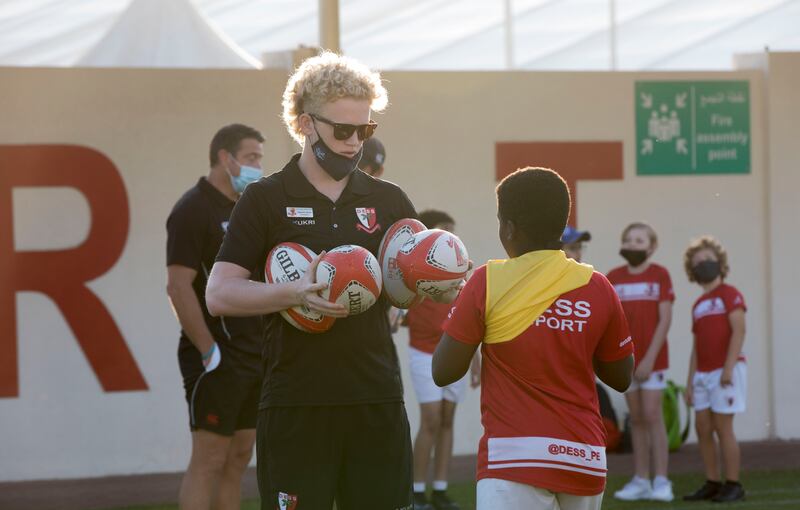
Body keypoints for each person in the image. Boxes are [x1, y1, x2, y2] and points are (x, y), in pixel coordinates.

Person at [205, 52, 417, 510]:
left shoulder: (390, 200)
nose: (353, 142)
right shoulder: (265, 199)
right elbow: (219, 293)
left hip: (374, 398)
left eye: (364, 130)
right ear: (304, 123)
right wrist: (293, 294)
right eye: (342, 129)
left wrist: (429, 285)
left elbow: (404, 294)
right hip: (296, 404)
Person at [432, 167, 634, 510]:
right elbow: (620, 377)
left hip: (513, 458)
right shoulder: (597, 285)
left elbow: (444, 371)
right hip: (583, 456)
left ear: (509, 227)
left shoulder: (486, 280)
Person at [166, 124, 265, 510]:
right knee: (209, 459)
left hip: (253, 354)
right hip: (217, 359)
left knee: (238, 458)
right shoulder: (192, 209)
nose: (260, 165)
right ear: (227, 159)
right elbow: (177, 287)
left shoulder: (245, 208)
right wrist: (209, 352)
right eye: (252, 157)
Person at [402, 209, 480, 510]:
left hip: (454, 353)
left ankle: (441, 489)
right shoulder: (415, 277)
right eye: (443, 230)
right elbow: (399, 315)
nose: (450, 237)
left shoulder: (458, 277)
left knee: (448, 419)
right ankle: (418, 492)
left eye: (452, 231)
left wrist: (475, 363)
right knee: (431, 420)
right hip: (423, 354)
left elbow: (466, 323)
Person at [607, 222, 675, 502]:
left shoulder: (660, 275)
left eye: (639, 240)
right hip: (627, 362)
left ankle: (661, 480)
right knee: (636, 418)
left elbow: (665, 319)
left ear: (652, 246)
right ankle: (641, 479)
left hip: (653, 361)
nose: (633, 244)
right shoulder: (613, 277)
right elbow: (611, 321)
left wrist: (647, 359)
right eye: (629, 240)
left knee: (652, 415)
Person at [682, 236, 747, 503]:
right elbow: (697, 346)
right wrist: (689, 383)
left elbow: (739, 331)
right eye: (697, 263)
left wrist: (728, 368)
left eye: (708, 260)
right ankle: (712, 481)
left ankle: (733, 483)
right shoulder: (698, 305)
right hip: (703, 375)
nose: (703, 265)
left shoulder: (730, 295)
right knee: (702, 426)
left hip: (725, 371)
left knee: (723, 426)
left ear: (720, 263)